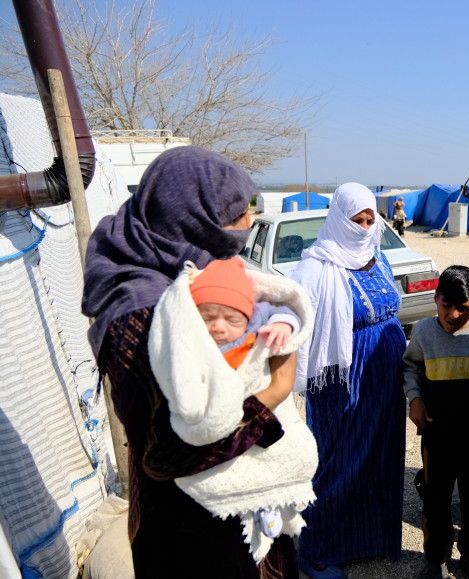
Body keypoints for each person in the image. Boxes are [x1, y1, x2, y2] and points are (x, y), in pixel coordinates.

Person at [82, 146, 301, 578]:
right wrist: (273, 393)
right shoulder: (142, 310)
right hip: (195, 526)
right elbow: (167, 450)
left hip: (223, 506)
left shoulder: (189, 276)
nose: (248, 224)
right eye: (237, 214)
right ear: (192, 217)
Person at [145, 256, 316, 561]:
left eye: (231, 319)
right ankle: (256, 504)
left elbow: (286, 310)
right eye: (208, 316)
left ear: (248, 316)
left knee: (274, 455)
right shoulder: (193, 338)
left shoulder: (257, 319)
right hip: (219, 418)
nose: (218, 327)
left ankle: (276, 500)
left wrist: (282, 325)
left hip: (257, 410)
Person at [291, 183, 406, 579]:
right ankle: (316, 549)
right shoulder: (314, 269)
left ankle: (368, 539)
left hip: (386, 379)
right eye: (357, 219)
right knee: (337, 462)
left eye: (370, 218)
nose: (365, 226)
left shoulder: (380, 257)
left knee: (379, 457)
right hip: (342, 381)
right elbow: (297, 329)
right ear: (340, 219)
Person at [404, 266, 469, 579]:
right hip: (437, 434)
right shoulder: (423, 332)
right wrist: (415, 399)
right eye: (446, 305)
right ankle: (435, 558)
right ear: (435, 298)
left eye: (462, 308)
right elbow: (410, 367)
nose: (452, 315)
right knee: (435, 499)